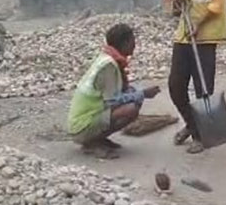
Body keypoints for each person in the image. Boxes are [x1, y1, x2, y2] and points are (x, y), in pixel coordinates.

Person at [168, 0, 226, 154]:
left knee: (203, 88)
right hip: (184, 36)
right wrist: (177, 1)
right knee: (175, 86)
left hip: (205, 37)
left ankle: (200, 136)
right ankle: (193, 124)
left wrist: (199, 23)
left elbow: (218, 2)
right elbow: (177, 5)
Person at [67, 23, 161, 158]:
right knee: (130, 109)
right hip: (81, 126)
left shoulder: (108, 59)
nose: (134, 44)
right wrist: (143, 94)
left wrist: (137, 93)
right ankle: (91, 142)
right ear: (124, 43)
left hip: (87, 118)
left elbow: (120, 91)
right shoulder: (109, 66)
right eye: (132, 40)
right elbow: (111, 101)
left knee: (133, 97)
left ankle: (97, 139)